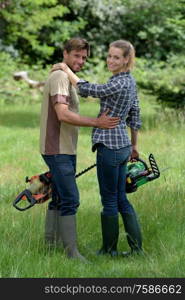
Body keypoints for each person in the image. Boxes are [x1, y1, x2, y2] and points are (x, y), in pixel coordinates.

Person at [53, 39, 143, 257]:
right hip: (122, 147)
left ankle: (109, 250)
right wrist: (134, 145)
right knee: (121, 198)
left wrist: (66, 69)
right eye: (109, 55)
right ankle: (136, 250)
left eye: (116, 57)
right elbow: (135, 113)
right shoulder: (129, 81)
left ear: (126, 60)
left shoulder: (119, 82)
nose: (110, 60)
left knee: (110, 199)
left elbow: (88, 89)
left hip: (110, 148)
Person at [39, 37, 120, 261]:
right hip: (57, 149)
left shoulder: (65, 76)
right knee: (71, 199)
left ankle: (50, 244)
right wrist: (97, 122)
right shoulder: (59, 78)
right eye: (76, 56)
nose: (81, 61)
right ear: (65, 53)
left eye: (84, 57)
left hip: (64, 148)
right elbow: (63, 114)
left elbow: (84, 89)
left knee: (58, 196)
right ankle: (71, 252)